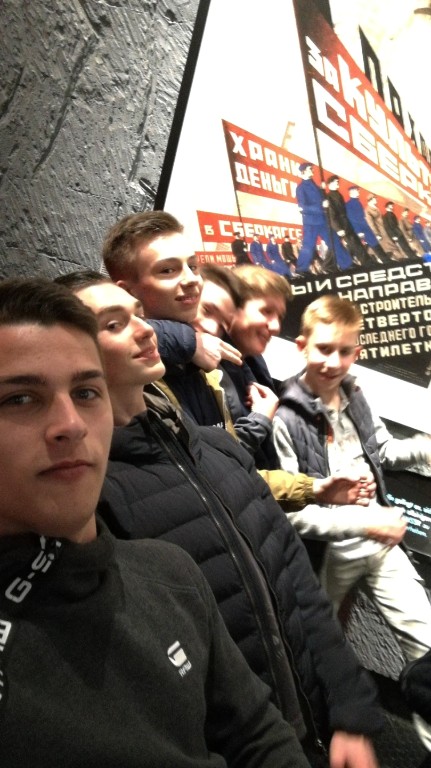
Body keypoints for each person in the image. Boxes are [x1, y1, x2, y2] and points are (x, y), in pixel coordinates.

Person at [57, 270, 383, 768]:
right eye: (114, 324)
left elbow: (297, 581)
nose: (145, 330)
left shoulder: (217, 449)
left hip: (311, 728)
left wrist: (350, 708)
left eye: (139, 316)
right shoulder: (92, 497)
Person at [0, 276, 312, 768]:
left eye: (86, 392)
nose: (71, 425)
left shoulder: (170, 572)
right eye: (19, 399)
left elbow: (258, 732)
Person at [101, 210, 364, 508]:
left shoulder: (208, 368)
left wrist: (312, 488)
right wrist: (259, 422)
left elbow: (230, 470)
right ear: (126, 292)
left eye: (193, 266)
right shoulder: (130, 375)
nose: (191, 280)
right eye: (168, 270)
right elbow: (208, 475)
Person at [272, 294, 431, 750]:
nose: (333, 361)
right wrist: (362, 526)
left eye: (344, 351)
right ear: (302, 346)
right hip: (332, 552)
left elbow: (382, 450)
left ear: (356, 352)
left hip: (380, 542)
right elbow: (295, 513)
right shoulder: (286, 417)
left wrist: (422, 447)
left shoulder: (356, 393)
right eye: (323, 349)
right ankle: (318, 740)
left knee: (426, 649)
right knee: (318, 651)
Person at [295, 163, 352, 274]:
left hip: (322, 220)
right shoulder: (301, 188)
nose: (312, 170)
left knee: (334, 241)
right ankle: (301, 269)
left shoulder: (315, 185)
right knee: (308, 246)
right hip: (311, 223)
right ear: (303, 172)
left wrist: (322, 190)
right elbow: (302, 207)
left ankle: (347, 264)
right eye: (310, 169)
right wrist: (320, 206)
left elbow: (321, 198)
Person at [325, 176, 372, 267]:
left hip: (345, 223)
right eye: (336, 182)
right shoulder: (329, 197)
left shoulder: (338, 194)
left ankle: (366, 262)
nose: (338, 183)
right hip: (339, 225)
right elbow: (331, 215)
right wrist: (338, 229)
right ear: (330, 184)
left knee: (353, 243)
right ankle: (366, 263)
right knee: (345, 244)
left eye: (338, 181)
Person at [345, 186, 391, 264]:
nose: (358, 191)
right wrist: (359, 231)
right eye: (356, 190)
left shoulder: (358, 202)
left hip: (365, 227)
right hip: (359, 229)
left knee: (374, 243)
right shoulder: (349, 204)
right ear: (351, 193)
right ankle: (348, 261)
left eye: (358, 190)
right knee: (354, 246)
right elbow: (353, 219)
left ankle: (386, 261)